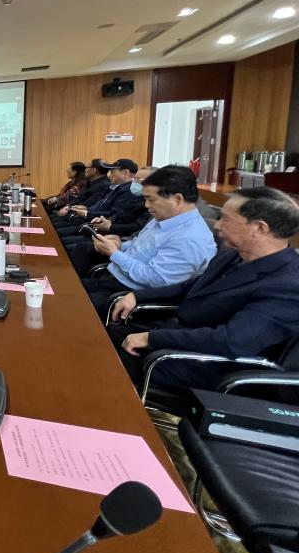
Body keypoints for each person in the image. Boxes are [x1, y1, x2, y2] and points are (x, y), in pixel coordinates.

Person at [109, 187, 299, 391]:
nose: (217, 225)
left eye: (225, 219)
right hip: (177, 336)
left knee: (104, 366)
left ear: (259, 228)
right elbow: (192, 287)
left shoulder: (288, 284)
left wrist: (152, 338)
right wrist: (137, 296)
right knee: (100, 337)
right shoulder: (233, 254)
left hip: (208, 364)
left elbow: (232, 341)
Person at [82, 165, 217, 313]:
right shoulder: (165, 217)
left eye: (151, 200)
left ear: (177, 199)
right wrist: (120, 245)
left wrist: (114, 254)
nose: (146, 205)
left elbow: (155, 279)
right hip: (114, 278)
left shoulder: (191, 238)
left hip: (129, 294)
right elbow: (140, 246)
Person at [55, 159, 140, 232]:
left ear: (125, 172)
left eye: (112, 172)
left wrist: (87, 213)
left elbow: (115, 214)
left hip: (102, 226)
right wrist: (85, 209)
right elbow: (99, 204)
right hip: (92, 220)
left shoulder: (129, 191)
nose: (109, 175)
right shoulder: (116, 187)